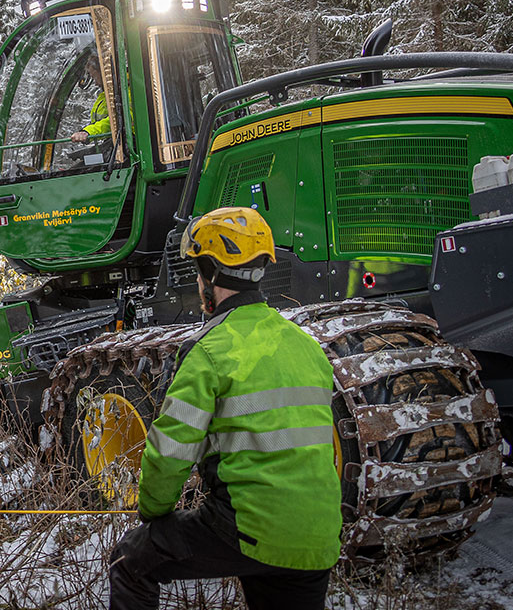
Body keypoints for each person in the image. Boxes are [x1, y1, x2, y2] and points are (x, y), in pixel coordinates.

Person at [108, 207, 340, 610]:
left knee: (132, 560)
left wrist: (153, 511)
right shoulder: (304, 344)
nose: (199, 282)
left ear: (210, 275)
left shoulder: (210, 350)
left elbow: (170, 451)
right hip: (318, 537)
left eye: (199, 272)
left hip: (249, 527)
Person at [71, 58, 110, 143]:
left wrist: (89, 132)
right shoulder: (107, 95)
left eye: (95, 77)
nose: (96, 83)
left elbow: (117, 122)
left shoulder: (128, 93)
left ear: (105, 74)